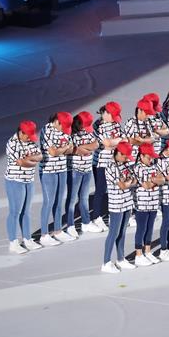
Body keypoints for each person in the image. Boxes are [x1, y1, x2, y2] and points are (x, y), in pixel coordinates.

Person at [4, 121, 42, 254]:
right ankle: (13, 242)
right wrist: (31, 160)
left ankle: (27, 239)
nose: (30, 139)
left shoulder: (30, 141)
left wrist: (29, 159)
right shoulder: (12, 144)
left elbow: (40, 156)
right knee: (15, 212)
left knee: (26, 211)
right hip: (15, 181)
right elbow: (21, 163)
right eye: (28, 136)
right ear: (21, 132)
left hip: (28, 180)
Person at [39, 112, 74, 246]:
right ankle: (44, 234)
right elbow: (52, 152)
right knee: (49, 201)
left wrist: (62, 149)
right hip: (48, 171)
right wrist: (64, 148)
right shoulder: (46, 130)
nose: (65, 131)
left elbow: (71, 150)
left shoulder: (65, 130)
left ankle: (58, 230)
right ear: (57, 122)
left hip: (62, 169)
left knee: (59, 201)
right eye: (63, 127)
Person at [102, 141, 138, 273]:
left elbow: (134, 180)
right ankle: (106, 262)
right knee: (113, 233)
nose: (126, 159)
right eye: (125, 156)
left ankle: (121, 259)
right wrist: (128, 182)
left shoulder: (126, 164)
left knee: (122, 232)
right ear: (119, 153)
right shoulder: (110, 166)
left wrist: (127, 182)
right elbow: (122, 185)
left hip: (127, 202)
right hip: (116, 204)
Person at [65, 111, 102, 240]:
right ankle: (70, 225)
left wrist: (82, 147)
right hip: (75, 170)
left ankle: (85, 223)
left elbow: (96, 144)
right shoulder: (70, 134)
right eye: (84, 125)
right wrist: (82, 148)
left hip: (87, 169)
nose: (86, 129)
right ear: (78, 123)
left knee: (84, 197)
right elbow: (72, 149)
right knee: (72, 198)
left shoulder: (88, 131)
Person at [92, 101, 123, 231]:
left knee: (114, 190)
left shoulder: (116, 124)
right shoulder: (97, 126)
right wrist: (113, 142)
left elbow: (122, 140)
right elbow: (106, 144)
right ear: (105, 113)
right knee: (100, 190)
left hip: (113, 163)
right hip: (100, 163)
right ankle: (96, 217)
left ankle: (112, 215)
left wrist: (113, 142)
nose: (115, 119)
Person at [133, 143, 164, 267]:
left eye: (152, 157)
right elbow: (145, 185)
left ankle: (147, 251)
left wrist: (153, 181)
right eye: (148, 157)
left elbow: (162, 179)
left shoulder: (153, 166)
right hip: (142, 203)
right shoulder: (137, 168)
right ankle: (138, 254)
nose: (151, 159)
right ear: (141, 156)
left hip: (153, 201)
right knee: (141, 228)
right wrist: (155, 180)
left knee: (150, 227)